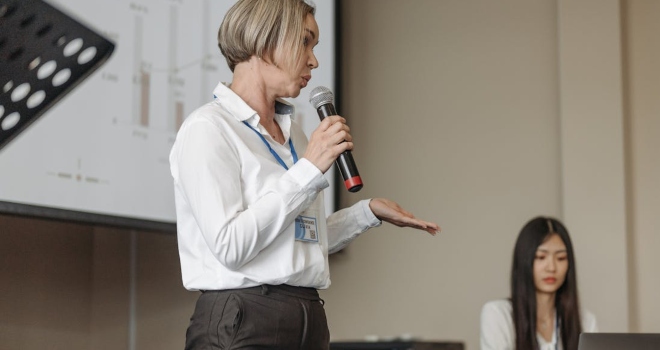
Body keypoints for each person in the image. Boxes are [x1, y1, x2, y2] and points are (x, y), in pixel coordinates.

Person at [169, 0, 441, 348]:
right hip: (243, 319)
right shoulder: (208, 129)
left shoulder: (295, 135)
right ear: (265, 39)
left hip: (307, 317)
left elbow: (293, 239)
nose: (314, 60)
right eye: (305, 41)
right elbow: (231, 245)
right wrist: (309, 169)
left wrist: (366, 212)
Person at [480, 217, 597, 350]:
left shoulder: (585, 322)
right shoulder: (498, 314)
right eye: (541, 257)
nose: (551, 267)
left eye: (561, 258)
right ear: (524, 260)